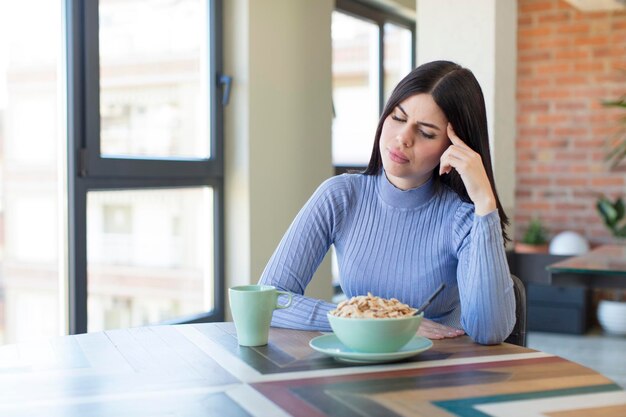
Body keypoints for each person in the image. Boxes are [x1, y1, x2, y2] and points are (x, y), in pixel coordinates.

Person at [259, 60, 515, 345]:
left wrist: (484, 202)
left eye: (426, 132)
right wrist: (380, 318)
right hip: (357, 363)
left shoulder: (463, 218)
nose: (403, 138)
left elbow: (490, 331)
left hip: (437, 370)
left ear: (455, 146)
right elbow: (267, 301)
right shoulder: (340, 196)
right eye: (398, 117)